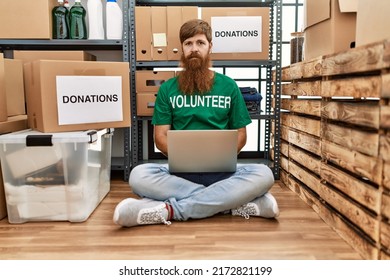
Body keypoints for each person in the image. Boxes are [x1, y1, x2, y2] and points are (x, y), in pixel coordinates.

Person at [113, 19, 279, 227]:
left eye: (200, 43)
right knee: (138, 175)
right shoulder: (168, 89)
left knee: (264, 174)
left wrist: (220, 156)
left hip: (223, 174)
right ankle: (230, 203)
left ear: (210, 47)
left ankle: (171, 210)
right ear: (182, 49)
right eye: (188, 43)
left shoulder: (229, 86)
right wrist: (185, 156)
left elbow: (241, 134)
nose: (194, 49)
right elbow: (160, 137)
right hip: (180, 175)